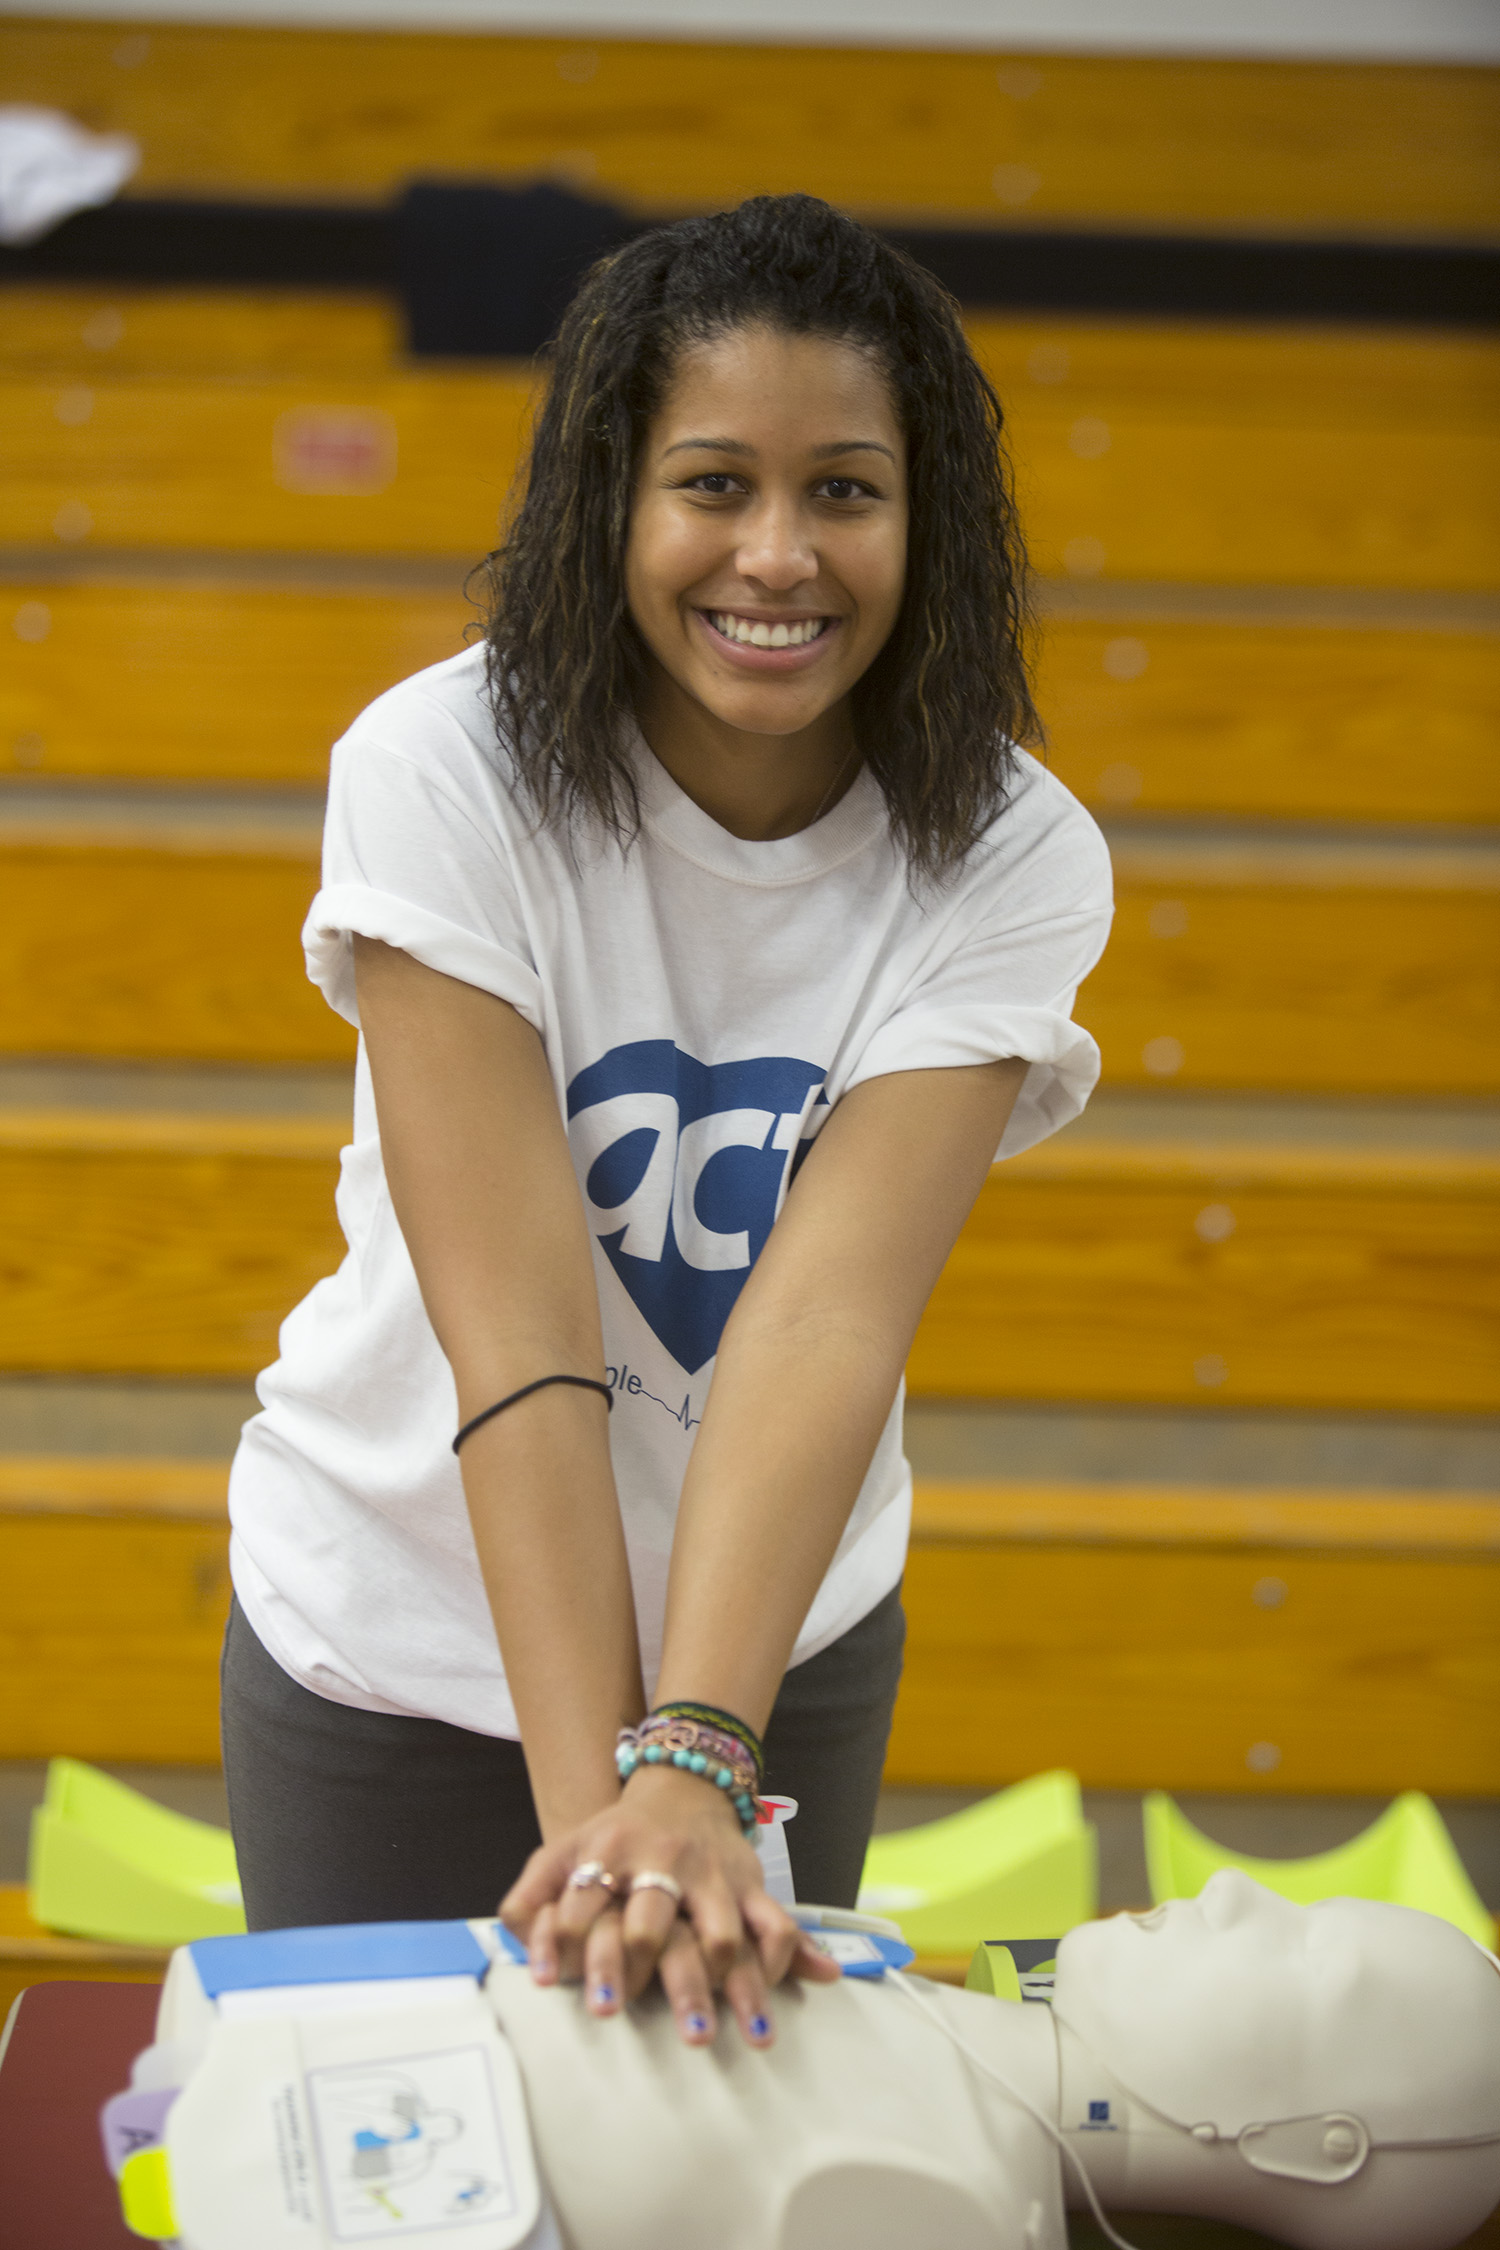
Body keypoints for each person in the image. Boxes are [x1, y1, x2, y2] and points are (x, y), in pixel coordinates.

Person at [220, 191, 1113, 2047]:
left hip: (779, 1647)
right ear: (610, 501)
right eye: (714, 481)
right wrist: (612, 1842)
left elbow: (822, 1315)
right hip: (392, 1634)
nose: (777, 555)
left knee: (707, 2174)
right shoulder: (439, 770)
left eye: (847, 490)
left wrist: (696, 1759)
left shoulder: (1016, 852)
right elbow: (526, 1332)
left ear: (923, 515)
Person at [129, 1876, 1500, 2250]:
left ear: (1314, 2141)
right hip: (271, 2034)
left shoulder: (949, 2197)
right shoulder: (924, 2009)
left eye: (1313, 1957)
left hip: (306, 2179)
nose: (1243, 1887)